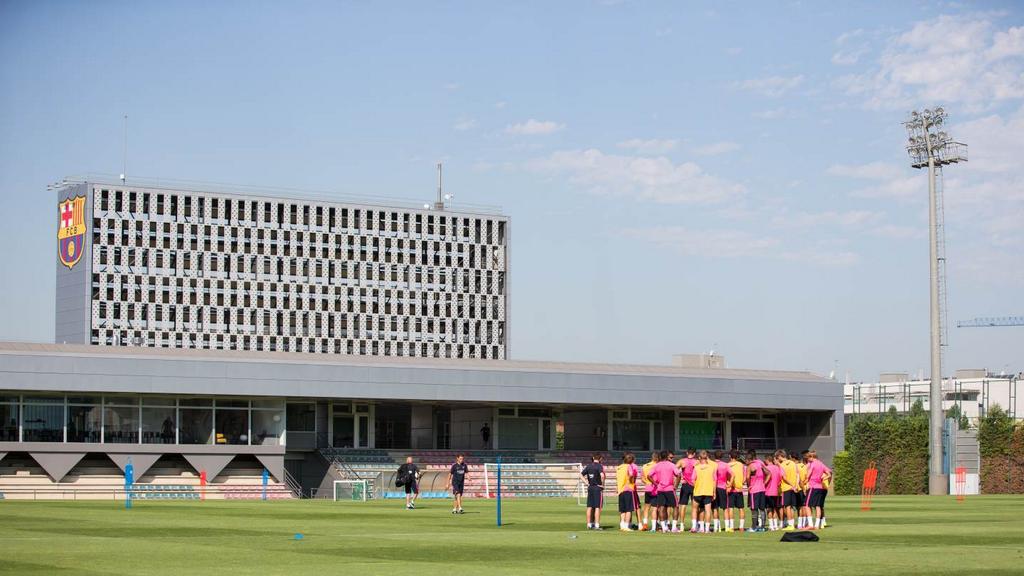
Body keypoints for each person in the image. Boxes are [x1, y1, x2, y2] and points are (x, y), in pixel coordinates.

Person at [648, 450, 681, 532]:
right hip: (669, 488)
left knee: (661, 507)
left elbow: (649, 476)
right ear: (667, 457)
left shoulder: (657, 466)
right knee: (675, 507)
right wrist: (676, 486)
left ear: (660, 457)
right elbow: (678, 475)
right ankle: (673, 527)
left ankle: (664, 527)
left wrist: (655, 484)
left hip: (660, 489)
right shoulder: (671, 465)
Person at [804, 450, 832, 530]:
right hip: (820, 487)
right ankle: (817, 525)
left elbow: (808, 475)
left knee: (806, 505)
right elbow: (829, 474)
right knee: (818, 506)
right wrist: (822, 478)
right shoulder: (821, 463)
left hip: (813, 487)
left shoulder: (813, 464)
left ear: (811, 457)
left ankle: (810, 524)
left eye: (808, 458)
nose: (807, 460)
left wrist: (805, 481)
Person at [691, 450, 716, 533]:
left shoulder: (696, 468)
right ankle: (706, 529)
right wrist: (714, 492)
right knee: (707, 510)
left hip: (698, 491)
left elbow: (692, 480)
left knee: (695, 509)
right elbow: (714, 481)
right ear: (707, 458)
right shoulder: (712, 468)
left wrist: (697, 485)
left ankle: (694, 527)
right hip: (708, 491)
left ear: (699, 458)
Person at [746, 449, 769, 532]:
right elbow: (769, 473)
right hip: (762, 489)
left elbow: (748, 477)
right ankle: (762, 527)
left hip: (754, 490)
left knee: (754, 509)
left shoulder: (750, 466)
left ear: (749, 460)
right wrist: (764, 483)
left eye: (746, 460)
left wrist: (749, 485)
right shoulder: (760, 463)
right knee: (762, 508)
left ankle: (754, 527)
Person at [581, 453, 606, 530]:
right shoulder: (599, 466)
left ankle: (589, 524)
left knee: (589, 506)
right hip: (597, 488)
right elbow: (602, 475)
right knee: (598, 507)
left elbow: (581, 475)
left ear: (593, 458)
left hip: (590, 487)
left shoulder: (588, 466)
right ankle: (597, 525)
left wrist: (586, 483)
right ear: (600, 459)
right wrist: (602, 484)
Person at [615, 453, 639, 531]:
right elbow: (631, 475)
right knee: (629, 509)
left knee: (622, 509)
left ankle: (622, 525)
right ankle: (626, 526)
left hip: (620, 490)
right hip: (628, 489)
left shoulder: (619, 467)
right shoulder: (628, 466)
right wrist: (632, 482)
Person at [676, 448, 697, 531]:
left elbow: (674, 469)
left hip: (685, 485)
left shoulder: (682, 461)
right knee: (694, 506)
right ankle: (694, 525)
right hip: (694, 485)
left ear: (687, 453)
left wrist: (680, 477)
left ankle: (681, 525)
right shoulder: (697, 462)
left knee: (683, 505)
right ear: (694, 454)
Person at [778, 450, 798, 531]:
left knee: (787, 507)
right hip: (793, 488)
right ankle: (792, 524)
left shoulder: (782, 465)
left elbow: (784, 478)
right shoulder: (793, 463)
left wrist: (791, 485)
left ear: (780, 456)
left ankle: (790, 525)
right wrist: (795, 485)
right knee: (791, 507)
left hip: (786, 488)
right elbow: (797, 475)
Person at [727, 449, 746, 532]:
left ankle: (731, 526)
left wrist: (729, 485)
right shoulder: (741, 465)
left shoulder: (727, 465)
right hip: (739, 489)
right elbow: (745, 477)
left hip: (731, 489)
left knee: (731, 508)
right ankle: (741, 526)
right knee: (741, 508)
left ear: (730, 456)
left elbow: (726, 477)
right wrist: (741, 483)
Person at [640, 451, 659, 531]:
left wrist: (647, 483)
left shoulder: (645, 466)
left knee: (646, 507)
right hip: (656, 489)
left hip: (647, 488)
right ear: (658, 458)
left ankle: (645, 524)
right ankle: (654, 526)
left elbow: (642, 479)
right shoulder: (658, 466)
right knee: (654, 508)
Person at [765, 453, 782, 530]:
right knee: (775, 508)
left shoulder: (766, 468)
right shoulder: (777, 468)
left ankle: (771, 526)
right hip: (776, 491)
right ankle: (775, 525)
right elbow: (780, 479)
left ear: (767, 460)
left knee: (769, 509)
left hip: (768, 491)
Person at [797, 450, 811, 529]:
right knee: (801, 506)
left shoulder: (810, 465)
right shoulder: (799, 465)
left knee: (806, 506)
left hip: (808, 487)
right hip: (800, 488)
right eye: (805, 455)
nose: (806, 457)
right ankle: (801, 523)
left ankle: (806, 523)